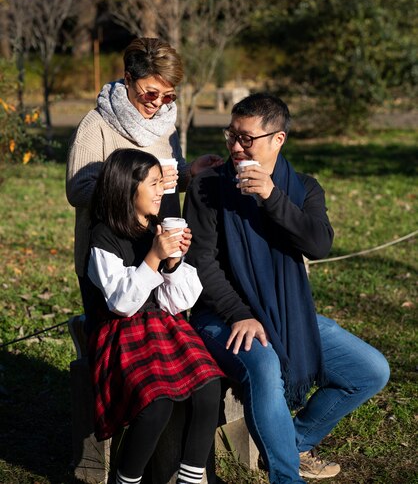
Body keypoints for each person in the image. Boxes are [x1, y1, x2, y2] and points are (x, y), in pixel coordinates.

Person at [183, 93, 390, 484]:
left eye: (247, 139)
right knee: (264, 364)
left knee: (371, 370)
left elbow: (318, 243)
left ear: (278, 139)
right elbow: (200, 263)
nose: (235, 146)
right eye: (231, 135)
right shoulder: (208, 187)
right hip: (221, 315)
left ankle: (293, 440)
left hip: (288, 313)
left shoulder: (303, 189)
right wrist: (239, 313)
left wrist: (270, 197)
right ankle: (285, 476)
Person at [83, 148, 223, 484]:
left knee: (209, 384)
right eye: (155, 183)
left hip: (165, 323)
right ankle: (126, 478)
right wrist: (153, 257)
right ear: (127, 188)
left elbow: (179, 300)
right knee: (156, 401)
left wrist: (173, 262)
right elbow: (122, 303)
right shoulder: (104, 237)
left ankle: (192, 474)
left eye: (162, 182)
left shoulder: (158, 228)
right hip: (119, 332)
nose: (163, 190)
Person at [66, 36, 223, 285]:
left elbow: (169, 180)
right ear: (128, 79)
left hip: (163, 250)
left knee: (170, 325)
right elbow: (78, 190)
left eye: (168, 96)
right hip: (111, 259)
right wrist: (141, 182)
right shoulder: (96, 126)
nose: (158, 104)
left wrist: (190, 172)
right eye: (151, 94)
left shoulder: (165, 125)